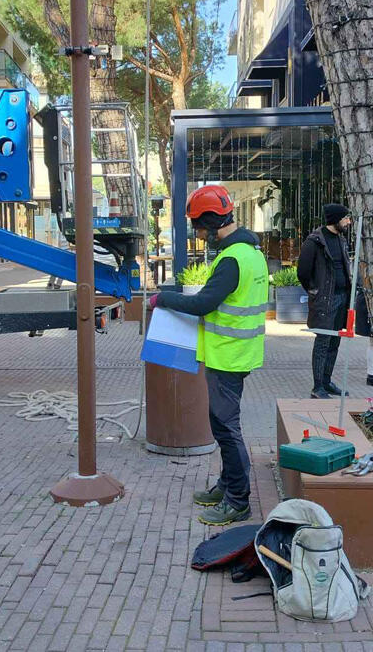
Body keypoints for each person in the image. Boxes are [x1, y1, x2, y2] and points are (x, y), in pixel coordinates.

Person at [149, 185, 267, 525]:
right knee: (222, 424)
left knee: (226, 429)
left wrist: (165, 299)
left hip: (227, 357)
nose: (199, 235)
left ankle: (237, 500)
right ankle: (227, 484)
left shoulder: (231, 260)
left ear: (213, 222)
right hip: (239, 352)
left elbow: (203, 304)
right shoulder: (251, 253)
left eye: (199, 228)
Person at [298, 204, 352, 399]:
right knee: (323, 342)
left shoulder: (341, 239)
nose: (348, 222)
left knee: (335, 341)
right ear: (335, 219)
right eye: (345, 218)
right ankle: (317, 386)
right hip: (325, 299)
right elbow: (303, 271)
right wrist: (314, 291)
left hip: (342, 298)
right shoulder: (315, 241)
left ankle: (327, 381)